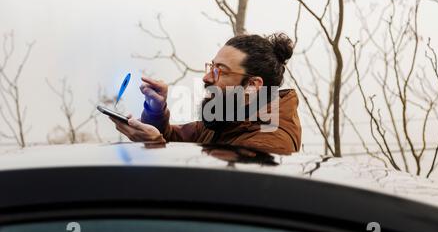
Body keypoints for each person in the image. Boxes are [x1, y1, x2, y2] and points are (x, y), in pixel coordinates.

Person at [110, 33, 302, 154]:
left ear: (252, 85)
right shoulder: (226, 119)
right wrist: (156, 111)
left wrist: (154, 145)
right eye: (211, 66)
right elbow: (173, 139)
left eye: (220, 70)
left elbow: (212, 190)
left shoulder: (271, 144)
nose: (207, 77)